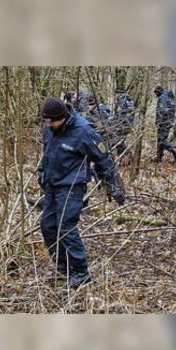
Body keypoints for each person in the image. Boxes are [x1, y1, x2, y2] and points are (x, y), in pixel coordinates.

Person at [38, 97, 125, 288]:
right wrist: (42, 173)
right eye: (47, 121)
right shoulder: (50, 128)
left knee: (65, 226)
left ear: (63, 117)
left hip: (72, 186)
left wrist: (113, 186)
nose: (49, 125)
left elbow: (103, 159)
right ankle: (63, 267)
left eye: (52, 121)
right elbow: (47, 153)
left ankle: (80, 271)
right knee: (47, 226)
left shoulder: (83, 131)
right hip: (53, 184)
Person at [154, 85, 176, 163]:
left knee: (162, 140)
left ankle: (175, 151)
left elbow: (161, 111)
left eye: (156, 93)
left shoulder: (162, 98)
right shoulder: (170, 97)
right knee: (161, 140)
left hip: (163, 123)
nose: (156, 95)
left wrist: (159, 122)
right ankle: (159, 158)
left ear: (158, 92)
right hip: (169, 122)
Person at [113, 86, 136, 157]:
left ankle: (128, 155)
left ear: (119, 93)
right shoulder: (129, 99)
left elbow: (120, 114)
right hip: (129, 124)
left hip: (123, 124)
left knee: (116, 140)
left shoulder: (122, 100)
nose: (115, 95)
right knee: (120, 141)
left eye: (116, 94)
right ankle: (124, 158)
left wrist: (116, 124)